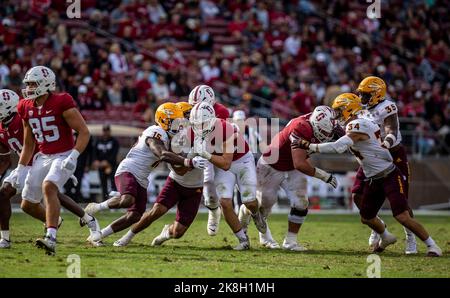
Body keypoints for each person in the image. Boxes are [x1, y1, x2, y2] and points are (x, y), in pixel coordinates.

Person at [293, 93, 442, 257]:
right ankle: (385, 237)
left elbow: (338, 147)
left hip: (389, 175)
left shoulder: (358, 125)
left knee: (402, 216)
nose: (337, 114)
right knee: (366, 217)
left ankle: (432, 246)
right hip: (374, 178)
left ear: (349, 108)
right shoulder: (354, 124)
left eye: (340, 110)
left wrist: (309, 146)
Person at [8, 66, 93, 255]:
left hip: (64, 154)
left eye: (33, 84)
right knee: (27, 204)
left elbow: (84, 132)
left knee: (49, 186)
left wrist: (73, 156)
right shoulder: (24, 106)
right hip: (42, 156)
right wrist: (20, 168)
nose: (29, 88)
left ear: (46, 84)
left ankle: (51, 238)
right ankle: (55, 221)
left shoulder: (62, 101)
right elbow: (28, 143)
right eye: (28, 84)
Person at [83, 103, 192, 246]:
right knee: (127, 200)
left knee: (135, 215)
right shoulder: (156, 131)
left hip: (142, 178)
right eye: (175, 122)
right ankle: (96, 207)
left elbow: (176, 168)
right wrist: (187, 161)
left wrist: (191, 159)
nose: (178, 126)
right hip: (129, 169)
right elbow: (162, 153)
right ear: (164, 120)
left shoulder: (170, 138)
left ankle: (99, 235)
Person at [114, 102, 205, 247]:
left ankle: (164, 234)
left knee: (178, 233)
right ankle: (127, 237)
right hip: (176, 181)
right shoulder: (173, 139)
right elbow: (178, 170)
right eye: (185, 117)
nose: (187, 121)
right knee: (156, 211)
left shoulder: (206, 134)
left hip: (196, 186)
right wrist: (191, 162)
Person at [250, 106, 339, 251]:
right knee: (265, 203)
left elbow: (345, 137)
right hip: (271, 165)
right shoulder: (301, 127)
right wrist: (324, 175)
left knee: (301, 203)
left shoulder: (326, 120)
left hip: (291, 168)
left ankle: (290, 242)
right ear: (315, 125)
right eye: (323, 132)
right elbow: (300, 163)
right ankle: (263, 235)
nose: (327, 135)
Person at [190, 102, 265, 250]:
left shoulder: (225, 128)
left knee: (249, 201)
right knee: (225, 202)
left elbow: (226, 163)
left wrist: (204, 153)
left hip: (242, 160)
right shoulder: (195, 131)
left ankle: (256, 214)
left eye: (202, 123)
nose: (198, 127)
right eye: (195, 124)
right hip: (223, 164)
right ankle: (243, 240)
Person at [354, 76, 417, 254]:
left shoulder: (387, 106)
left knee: (401, 201)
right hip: (371, 156)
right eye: (361, 94)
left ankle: (411, 237)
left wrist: (386, 144)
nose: (362, 98)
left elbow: (391, 128)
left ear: (376, 94)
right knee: (358, 195)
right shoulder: (361, 109)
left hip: (392, 155)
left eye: (366, 95)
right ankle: (377, 226)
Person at [188, 84, 229, 236]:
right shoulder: (189, 109)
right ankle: (213, 211)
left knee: (225, 186)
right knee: (208, 185)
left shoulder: (222, 112)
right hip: (200, 148)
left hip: (218, 150)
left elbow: (220, 136)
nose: (194, 108)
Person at [92, 124, 119, 200]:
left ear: (109, 131)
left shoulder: (114, 141)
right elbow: (94, 153)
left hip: (111, 166)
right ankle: (105, 200)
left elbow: (114, 153)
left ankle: (114, 200)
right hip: (101, 166)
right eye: (104, 131)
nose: (105, 132)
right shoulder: (98, 141)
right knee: (103, 184)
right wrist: (95, 161)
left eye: (107, 131)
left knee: (113, 183)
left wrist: (107, 162)